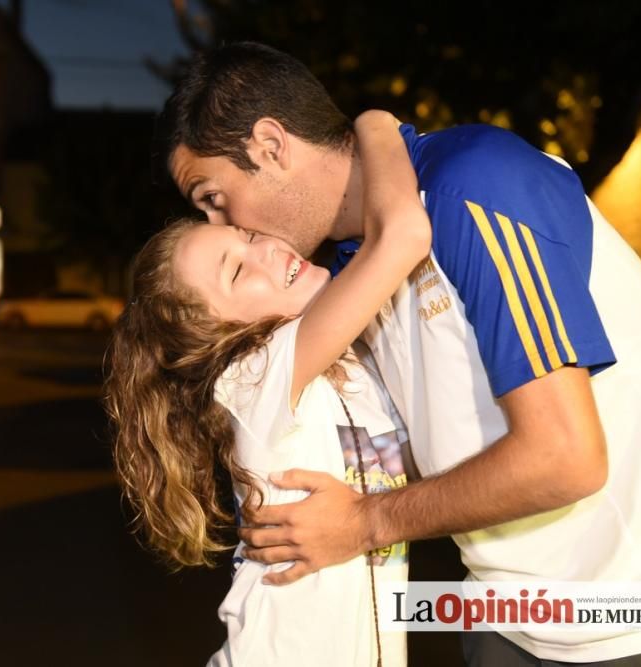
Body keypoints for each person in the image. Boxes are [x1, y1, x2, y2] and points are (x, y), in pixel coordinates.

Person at [158, 42, 641, 665]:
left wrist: (366, 523)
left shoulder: (475, 187)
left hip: (631, 620)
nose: (216, 223)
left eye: (212, 197)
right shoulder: (345, 275)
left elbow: (566, 457)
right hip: (502, 618)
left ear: (270, 146)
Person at [108, 111, 431, 666]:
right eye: (236, 273)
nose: (269, 250)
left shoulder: (341, 372)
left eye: (249, 236)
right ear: (216, 336)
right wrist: (375, 124)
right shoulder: (253, 374)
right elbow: (403, 235)